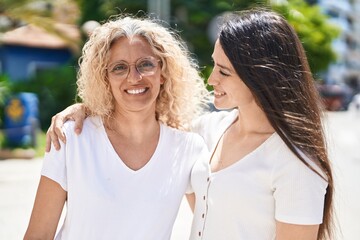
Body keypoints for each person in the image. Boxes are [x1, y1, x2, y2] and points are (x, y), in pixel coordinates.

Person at [45, 9, 334, 240]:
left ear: (258, 76)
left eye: (224, 71)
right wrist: (86, 108)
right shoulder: (208, 130)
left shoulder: (297, 164)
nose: (211, 80)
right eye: (214, 66)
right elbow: (142, 121)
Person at [24, 15, 209, 240]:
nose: (134, 77)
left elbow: (213, 225)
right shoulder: (71, 138)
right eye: (119, 68)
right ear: (105, 78)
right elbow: (39, 234)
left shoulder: (188, 149)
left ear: (163, 72)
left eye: (146, 64)